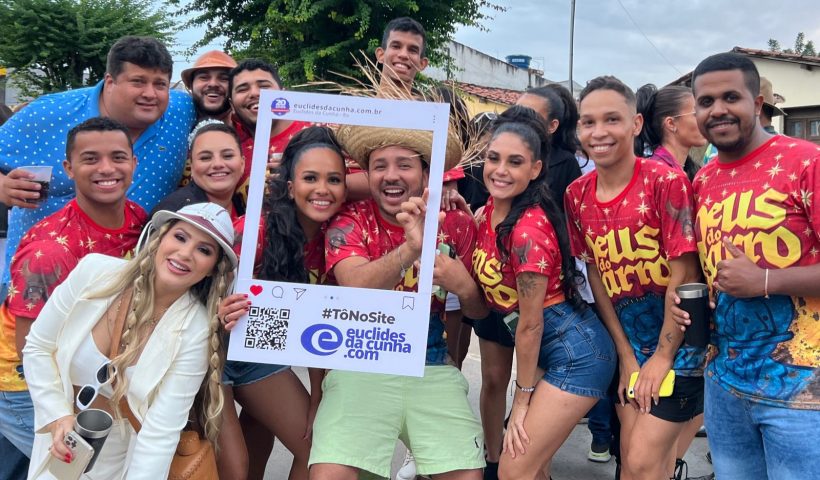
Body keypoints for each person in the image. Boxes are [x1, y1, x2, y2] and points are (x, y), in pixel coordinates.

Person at [308, 123, 485, 480]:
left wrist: (464, 287)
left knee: (467, 474)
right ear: (368, 175)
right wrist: (411, 249)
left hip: (432, 364)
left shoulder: (456, 224)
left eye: (404, 164)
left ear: (425, 175)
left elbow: (479, 311)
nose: (391, 175)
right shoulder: (348, 220)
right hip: (358, 363)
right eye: (380, 166)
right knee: (329, 474)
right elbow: (354, 289)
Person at [674, 52, 820, 480]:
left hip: (801, 391)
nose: (718, 109)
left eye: (731, 97)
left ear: (756, 104)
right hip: (725, 386)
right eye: (706, 102)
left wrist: (766, 280)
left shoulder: (806, 162)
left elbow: (754, 278)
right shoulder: (703, 179)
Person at [24, 201, 235, 478]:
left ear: (212, 269)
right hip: (59, 446)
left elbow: (160, 433)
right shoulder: (94, 272)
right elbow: (38, 347)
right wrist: (56, 416)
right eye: (180, 237)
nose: (185, 253)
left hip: (121, 462)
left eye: (204, 250)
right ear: (160, 238)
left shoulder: (195, 329)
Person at [565, 76, 705, 480]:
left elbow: (685, 272)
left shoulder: (666, 182)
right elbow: (596, 273)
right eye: (588, 122)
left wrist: (662, 357)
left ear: (636, 124)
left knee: (642, 462)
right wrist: (626, 356)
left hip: (680, 347)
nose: (599, 132)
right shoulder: (576, 194)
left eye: (612, 119)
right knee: (632, 459)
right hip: (628, 348)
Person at [469, 105, 615, 479]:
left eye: (515, 162)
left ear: (535, 169)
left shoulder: (527, 233)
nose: (500, 170)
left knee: (513, 469)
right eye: (494, 158)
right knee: (532, 470)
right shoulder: (493, 208)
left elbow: (531, 326)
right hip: (551, 352)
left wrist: (522, 401)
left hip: (577, 356)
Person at [0, 117, 148, 470]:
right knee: (75, 471)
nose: (106, 168)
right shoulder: (49, 251)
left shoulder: (138, 219)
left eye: (118, 157)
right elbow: (31, 349)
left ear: (133, 162)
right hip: (25, 385)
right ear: (69, 168)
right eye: (91, 159)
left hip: (87, 373)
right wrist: (61, 413)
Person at [0, 36, 195, 292]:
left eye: (160, 84)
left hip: (131, 288)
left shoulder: (181, 110)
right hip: (41, 284)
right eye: (138, 81)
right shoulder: (47, 114)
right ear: (110, 81)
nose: (150, 93)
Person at [216, 126, 346, 480]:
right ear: (290, 187)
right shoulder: (255, 230)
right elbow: (198, 293)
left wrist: (318, 397)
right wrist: (219, 308)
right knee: (235, 466)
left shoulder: (336, 242)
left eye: (334, 180)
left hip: (260, 358)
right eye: (310, 178)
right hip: (210, 355)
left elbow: (320, 328)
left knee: (315, 447)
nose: (322, 189)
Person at [152, 121, 245, 218]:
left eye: (227, 156)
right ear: (191, 167)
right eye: (205, 158)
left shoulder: (245, 204)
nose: (217, 164)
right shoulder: (172, 212)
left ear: (242, 164)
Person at [635, 84, 707, 182]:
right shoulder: (658, 176)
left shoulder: (691, 171)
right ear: (671, 123)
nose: (705, 119)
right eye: (696, 114)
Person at [181, 50, 237, 123]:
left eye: (224, 78)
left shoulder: (248, 125)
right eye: (204, 77)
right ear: (191, 85)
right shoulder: (178, 122)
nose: (213, 84)